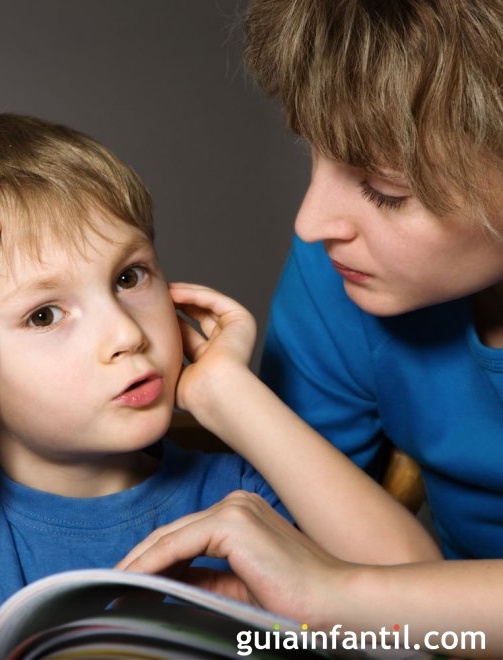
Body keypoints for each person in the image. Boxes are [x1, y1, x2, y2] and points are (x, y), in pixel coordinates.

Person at [0, 113, 438, 647]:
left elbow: (424, 604)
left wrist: (227, 393)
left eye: (129, 277)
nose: (125, 333)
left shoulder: (241, 498)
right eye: (44, 314)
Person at [118, 0, 503, 655]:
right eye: (314, 155)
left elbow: (342, 588)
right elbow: (305, 532)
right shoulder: (340, 280)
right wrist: (224, 396)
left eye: (385, 189)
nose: (310, 223)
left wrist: (340, 599)